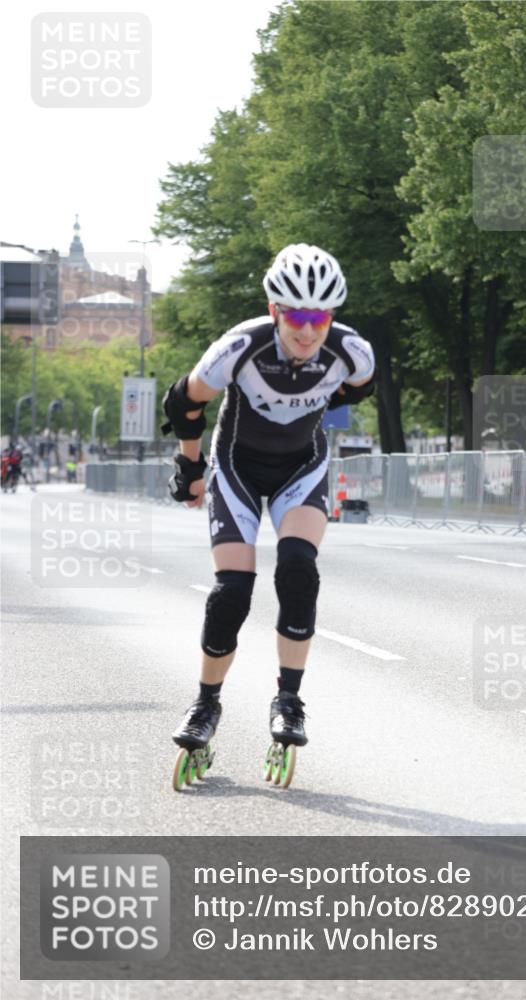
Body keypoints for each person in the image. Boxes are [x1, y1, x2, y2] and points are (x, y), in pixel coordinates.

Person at [162, 244, 376, 761]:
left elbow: (359, 388)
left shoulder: (353, 353)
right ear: (274, 310)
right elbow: (185, 401)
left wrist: (320, 398)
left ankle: (289, 701)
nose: (308, 331)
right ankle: (205, 704)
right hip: (236, 465)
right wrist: (190, 469)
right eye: (297, 317)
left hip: (300, 467)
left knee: (298, 568)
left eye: (320, 318)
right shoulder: (241, 346)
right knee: (232, 592)